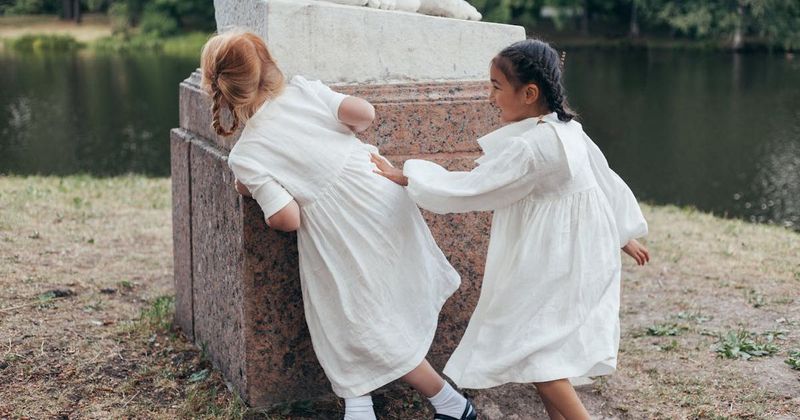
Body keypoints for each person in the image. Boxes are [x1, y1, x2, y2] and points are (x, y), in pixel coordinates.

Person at [372, 39, 650, 420]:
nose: (490, 97)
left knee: (535, 352)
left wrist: (407, 176)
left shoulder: (536, 146)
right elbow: (604, 180)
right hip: (578, 253)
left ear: (529, 93)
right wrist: (621, 234)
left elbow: (475, 187)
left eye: (496, 87)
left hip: (554, 260)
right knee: (541, 353)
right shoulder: (565, 129)